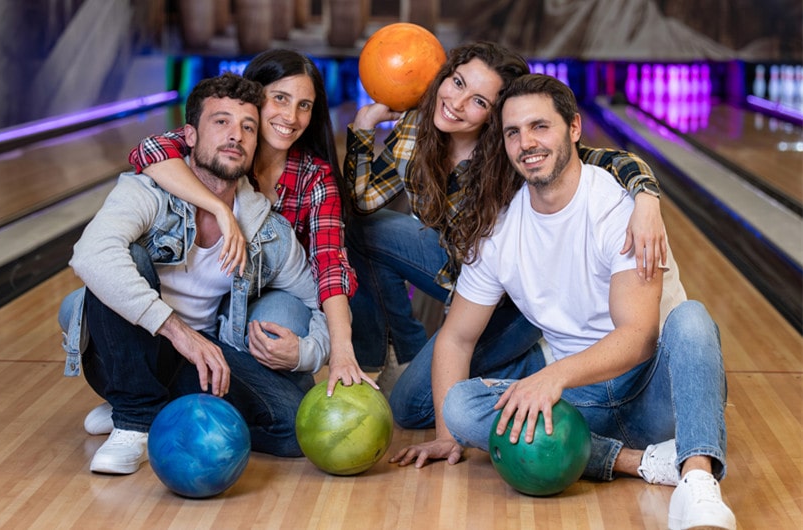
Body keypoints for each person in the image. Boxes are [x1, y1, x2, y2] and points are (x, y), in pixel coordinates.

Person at [394, 74, 735, 530]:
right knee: (460, 406)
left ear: (573, 128)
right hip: (578, 407)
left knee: (692, 319)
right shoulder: (499, 229)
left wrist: (550, 377)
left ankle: (697, 484)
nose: (526, 143)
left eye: (540, 127)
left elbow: (636, 337)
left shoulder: (617, 207)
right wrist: (444, 434)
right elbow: (456, 337)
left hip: (656, 393)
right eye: (513, 132)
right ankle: (641, 463)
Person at [345, 41, 668, 422]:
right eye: (458, 82)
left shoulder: (511, 149)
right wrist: (364, 129)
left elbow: (598, 159)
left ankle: (534, 364)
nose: (458, 103)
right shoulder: (415, 130)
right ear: (444, 76)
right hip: (457, 272)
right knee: (361, 231)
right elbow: (363, 201)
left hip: (512, 301)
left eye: (479, 101)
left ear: (493, 115)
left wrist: (647, 195)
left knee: (409, 409)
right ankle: (403, 353)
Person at [58, 73, 331, 475]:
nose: (235, 135)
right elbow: (90, 255)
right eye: (221, 122)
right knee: (126, 256)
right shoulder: (146, 192)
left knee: (294, 428)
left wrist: (307, 353)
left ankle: (158, 410)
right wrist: (178, 332)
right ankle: (134, 418)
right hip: (128, 348)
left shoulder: (267, 229)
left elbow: (318, 299)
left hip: (202, 356)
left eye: (248, 127)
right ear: (188, 134)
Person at [127, 49, 373, 397]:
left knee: (279, 324)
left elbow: (329, 265)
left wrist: (340, 354)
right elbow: (148, 151)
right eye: (280, 98)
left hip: (265, 294)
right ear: (254, 97)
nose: (291, 116)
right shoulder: (226, 147)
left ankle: (229, 387)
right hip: (203, 297)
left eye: (305, 105)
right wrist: (220, 208)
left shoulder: (315, 177)